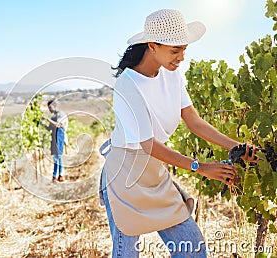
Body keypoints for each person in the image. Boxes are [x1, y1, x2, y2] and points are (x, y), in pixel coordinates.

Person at [100, 9, 258, 257]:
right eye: (175, 50)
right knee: (126, 253)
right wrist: (200, 167)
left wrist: (235, 146)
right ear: (152, 46)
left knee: (192, 248)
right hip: (125, 175)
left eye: (184, 49)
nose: (182, 57)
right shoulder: (127, 85)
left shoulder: (172, 75)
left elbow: (194, 121)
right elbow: (147, 144)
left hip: (154, 172)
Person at [44, 99, 68, 182]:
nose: (49, 109)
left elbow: (58, 125)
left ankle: (59, 175)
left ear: (54, 106)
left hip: (59, 136)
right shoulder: (53, 116)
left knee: (58, 156)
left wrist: (47, 119)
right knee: (56, 156)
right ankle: (56, 176)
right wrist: (41, 123)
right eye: (48, 107)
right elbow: (49, 128)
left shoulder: (60, 114)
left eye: (50, 107)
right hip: (54, 137)